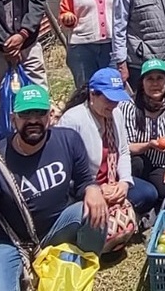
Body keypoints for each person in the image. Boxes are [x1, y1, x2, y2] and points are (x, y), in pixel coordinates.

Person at [0, 85, 108, 290]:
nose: (33, 121)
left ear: (50, 116)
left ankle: (80, 267)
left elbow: (85, 179)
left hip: (55, 229)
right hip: (10, 243)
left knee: (95, 211)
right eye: (25, 114)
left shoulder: (68, 140)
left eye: (39, 113)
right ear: (14, 119)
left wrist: (92, 188)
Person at [57, 68, 158, 216]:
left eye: (116, 100)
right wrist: (94, 189)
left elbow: (123, 150)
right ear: (92, 95)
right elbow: (65, 168)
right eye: (108, 100)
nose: (113, 105)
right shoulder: (72, 120)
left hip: (112, 181)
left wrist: (124, 183)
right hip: (85, 186)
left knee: (148, 193)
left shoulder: (116, 113)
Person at [120, 59, 165, 204]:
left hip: (159, 164)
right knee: (138, 163)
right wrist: (149, 145)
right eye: (150, 79)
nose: (155, 84)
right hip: (134, 164)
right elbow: (125, 147)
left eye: (159, 78)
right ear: (142, 83)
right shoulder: (129, 106)